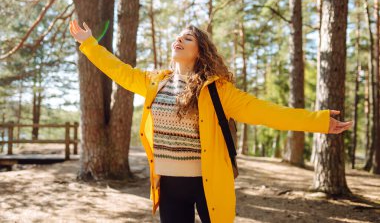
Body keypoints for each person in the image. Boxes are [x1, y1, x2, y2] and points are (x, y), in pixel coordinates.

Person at [69, 19, 354, 223]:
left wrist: (318, 122)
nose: (178, 40)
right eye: (178, 37)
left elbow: (268, 112)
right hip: (168, 185)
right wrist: (89, 44)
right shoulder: (154, 82)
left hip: (208, 184)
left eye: (187, 38)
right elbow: (119, 71)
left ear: (200, 51)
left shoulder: (218, 90)